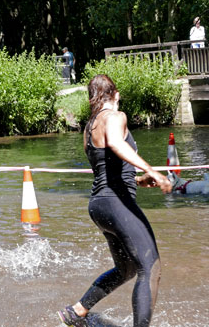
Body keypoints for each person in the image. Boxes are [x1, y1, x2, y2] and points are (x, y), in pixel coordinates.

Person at [57, 75, 172, 327]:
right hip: (115, 203)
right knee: (150, 268)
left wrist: (139, 180)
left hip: (100, 205)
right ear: (116, 94)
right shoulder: (114, 117)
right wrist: (153, 170)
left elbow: (106, 167)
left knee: (127, 269)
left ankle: (77, 311)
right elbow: (116, 144)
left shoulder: (89, 127)